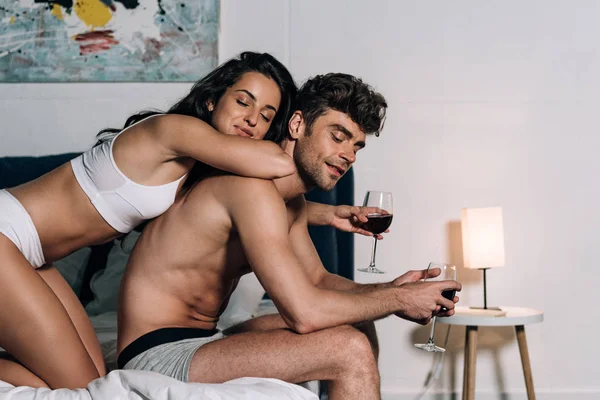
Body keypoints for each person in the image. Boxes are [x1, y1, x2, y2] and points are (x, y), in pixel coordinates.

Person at [0, 51, 369, 390]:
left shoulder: (196, 167)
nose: (253, 119)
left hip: (34, 257)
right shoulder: (173, 130)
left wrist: (324, 213)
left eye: (268, 115)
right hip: (5, 234)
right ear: (211, 100)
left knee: (95, 380)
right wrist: (313, 150)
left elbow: (239, 202)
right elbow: (275, 167)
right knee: (82, 389)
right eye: (243, 101)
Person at [117, 72, 462, 400]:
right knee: (347, 348)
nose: (348, 155)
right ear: (297, 125)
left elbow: (317, 280)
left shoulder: (289, 201)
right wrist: (399, 302)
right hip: (157, 354)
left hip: (205, 340)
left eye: (356, 147)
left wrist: (396, 290)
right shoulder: (250, 188)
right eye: (337, 136)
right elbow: (304, 313)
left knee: (358, 324)